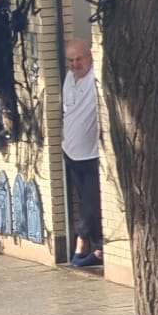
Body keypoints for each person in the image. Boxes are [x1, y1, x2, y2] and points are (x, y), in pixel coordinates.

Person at [62, 40, 104, 268]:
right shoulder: (69, 78)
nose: (75, 64)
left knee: (91, 203)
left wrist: (97, 48)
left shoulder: (94, 77)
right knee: (82, 201)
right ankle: (88, 243)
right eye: (71, 60)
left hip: (91, 154)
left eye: (80, 59)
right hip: (71, 151)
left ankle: (91, 246)